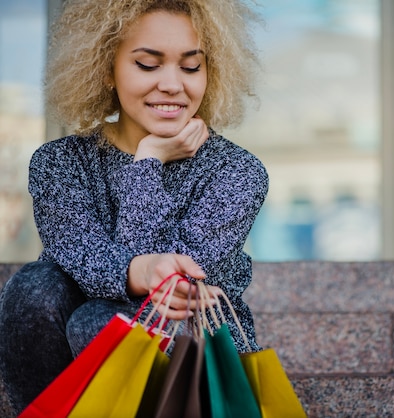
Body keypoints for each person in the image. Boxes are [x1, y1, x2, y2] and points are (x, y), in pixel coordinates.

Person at [0, 0, 268, 414]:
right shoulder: (59, 163)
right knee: (35, 287)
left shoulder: (237, 172)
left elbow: (169, 294)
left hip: (188, 351)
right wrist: (142, 269)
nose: (172, 84)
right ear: (106, 68)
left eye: (191, 66)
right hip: (73, 340)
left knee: (104, 322)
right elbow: (84, 260)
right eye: (148, 64)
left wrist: (147, 162)